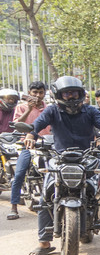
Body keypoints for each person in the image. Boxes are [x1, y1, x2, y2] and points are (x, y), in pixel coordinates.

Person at [25, 76, 100, 255]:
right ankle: (44, 242)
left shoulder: (90, 111)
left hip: (88, 157)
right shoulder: (52, 111)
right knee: (45, 197)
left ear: (81, 94)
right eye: (67, 93)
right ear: (59, 95)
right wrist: (30, 136)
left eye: (75, 93)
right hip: (59, 158)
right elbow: (37, 125)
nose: (71, 97)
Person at [7, 81, 49, 220]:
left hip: (46, 145)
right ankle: (14, 207)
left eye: (40, 92)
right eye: (34, 92)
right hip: (27, 146)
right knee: (19, 174)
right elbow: (17, 126)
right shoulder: (21, 107)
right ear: (29, 93)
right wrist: (29, 110)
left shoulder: (49, 108)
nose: (37, 95)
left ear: (44, 93)